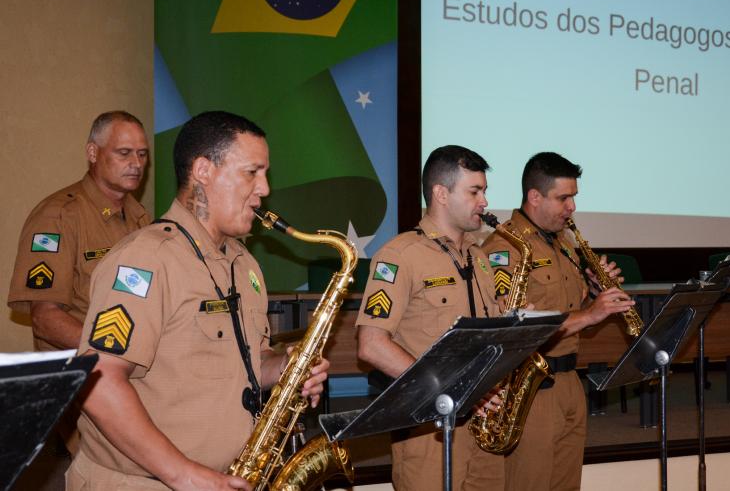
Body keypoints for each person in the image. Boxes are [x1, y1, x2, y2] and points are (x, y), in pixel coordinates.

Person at [66, 111, 329, 490]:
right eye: (251, 172)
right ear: (203, 171)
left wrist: (287, 367)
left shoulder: (245, 264)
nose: (265, 188)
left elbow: (250, 362)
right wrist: (185, 475)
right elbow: (97, 379)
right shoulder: (145, 259)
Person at [481, 152, 634, 491]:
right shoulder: (504, 248)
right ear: (535, 197)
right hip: (532, 388)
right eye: (564, 198)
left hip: (569, 380)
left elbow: (572, 309)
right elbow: (517, 328)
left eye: (574, 197)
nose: (572, 208)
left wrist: (596, 294)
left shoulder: (564, 243)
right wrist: (591, 313)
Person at [356, 145, 504, 491]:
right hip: (429, 430)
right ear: (440, 193)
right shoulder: (399, 256)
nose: (484, 202)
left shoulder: (480, 259)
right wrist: (451, 388)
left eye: (484, 191)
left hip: (484, 426)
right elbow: (372, 346)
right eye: (474, 191)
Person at [7, 110, 150, 453]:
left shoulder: (142, 219)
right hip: (85, 377)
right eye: (124, 153)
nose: (136, 164)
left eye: (143, 154)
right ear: (92, 153)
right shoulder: (58, 216)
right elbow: (46, 318)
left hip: (135, 374)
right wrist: (120, 355)